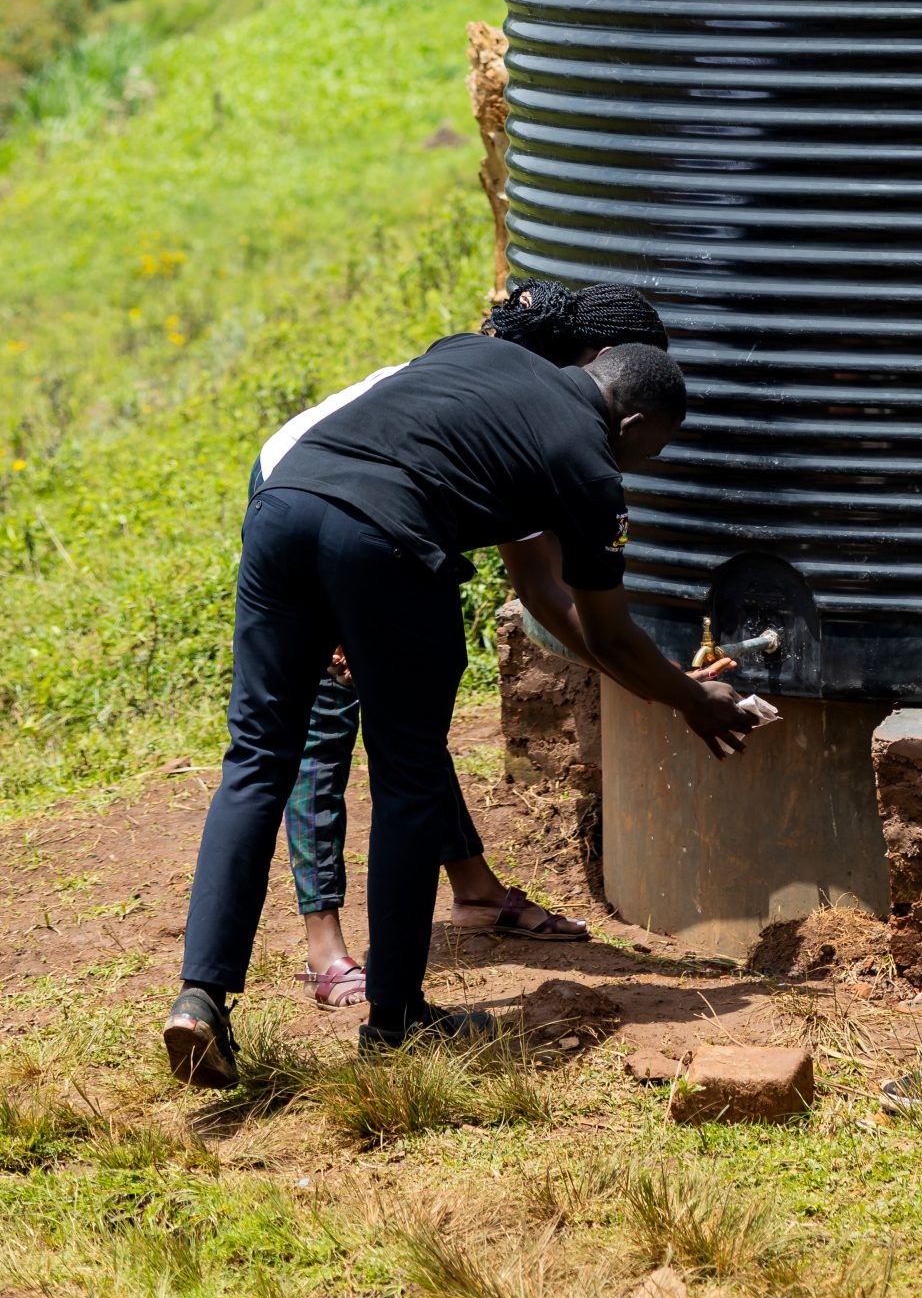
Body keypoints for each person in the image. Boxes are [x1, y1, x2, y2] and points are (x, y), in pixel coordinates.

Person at [164, 314, 752, 1086]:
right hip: (386, 542)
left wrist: (672, 689)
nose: (642, 465)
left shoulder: (478, 355)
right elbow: (609, 635)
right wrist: (693, 702)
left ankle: (199, 996)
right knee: (408, 774)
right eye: (652, 450)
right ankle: (396, 1017)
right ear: (633, 421)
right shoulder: (589, 466)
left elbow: (540, 591)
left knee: (256, 758)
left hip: (284, 504)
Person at [283, 280, 675, 1006]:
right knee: (326, 723)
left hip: (374, 513)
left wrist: (644, 675)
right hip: (309, 490)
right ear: (597, 359)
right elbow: (548, 594)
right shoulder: (533, 416)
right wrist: (660, 683)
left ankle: (473, 889)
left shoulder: (531, 408)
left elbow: (542, 586)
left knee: (409, 717)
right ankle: (324, 946)